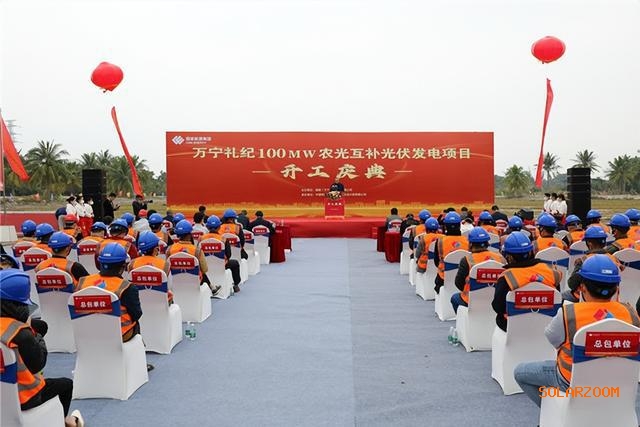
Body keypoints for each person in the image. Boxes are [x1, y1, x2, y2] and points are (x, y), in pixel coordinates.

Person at [513, 255, 640, 408]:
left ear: (582, 287)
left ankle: (553, 411)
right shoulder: (631, 313)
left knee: (520, 372)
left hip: (573, 382)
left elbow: (552, 339)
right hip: (618, 383)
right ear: (615, 288)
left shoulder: (568, 313)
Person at [0, 269, 85, 426]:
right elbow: (38, 364)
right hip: (22, 398)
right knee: (66, 385)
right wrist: (34, 333)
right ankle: (63, 422)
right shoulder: (19, 332)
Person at [491, 232, 562, 332]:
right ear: (530, 252)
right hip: (549, 325)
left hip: (515, 327)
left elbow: (498, 307)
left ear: (509, 257)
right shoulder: (551, 270)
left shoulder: (506, 277)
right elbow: (558, 297)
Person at [76, 243, 143, 344]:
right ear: (123, 266)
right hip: (119, 334)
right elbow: (136, 314)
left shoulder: (83, 282)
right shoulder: (127, 287)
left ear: (100, 263)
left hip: (88, 332)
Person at [451, 227, 506, 313]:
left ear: (470, 244)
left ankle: (464, 320)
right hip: (497, 302)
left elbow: (459, 283)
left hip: (472, 301)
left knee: (455, 298)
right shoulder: (500, 258)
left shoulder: (466, 260)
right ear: (487, 243)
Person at [563, 225, 619, 302]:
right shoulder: (614, 259)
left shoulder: (583, 261)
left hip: (586, 299)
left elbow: (572, 284)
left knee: (563, 296)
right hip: (610, 298)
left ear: (589, 243)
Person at [128, 231, 177, 303]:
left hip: (138, 305)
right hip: (160, 305)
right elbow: (169, 287)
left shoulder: (132, 264)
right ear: (155, 249)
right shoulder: (165, 265)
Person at [166, 220, 212, 289]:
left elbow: (167, 269)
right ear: (189, 235)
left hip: (175, 285)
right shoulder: (197, 251)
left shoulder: (169, 249)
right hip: (194, 285)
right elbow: (205, 269)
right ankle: (212, 287)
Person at [201, 215, 241, 293]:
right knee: (235, 263)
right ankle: (235, 285)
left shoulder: (201, 238)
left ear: (207, 227)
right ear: (219, 227)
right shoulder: (223, 239)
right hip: (221, 265)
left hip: (205, 266)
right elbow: (228, 255)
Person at [432, 212, 467, 294]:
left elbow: (436, 262)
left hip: (443, 279)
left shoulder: (440, 241)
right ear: (459, 225)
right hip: (464, 281)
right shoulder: (468, 241)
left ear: (445, 226)